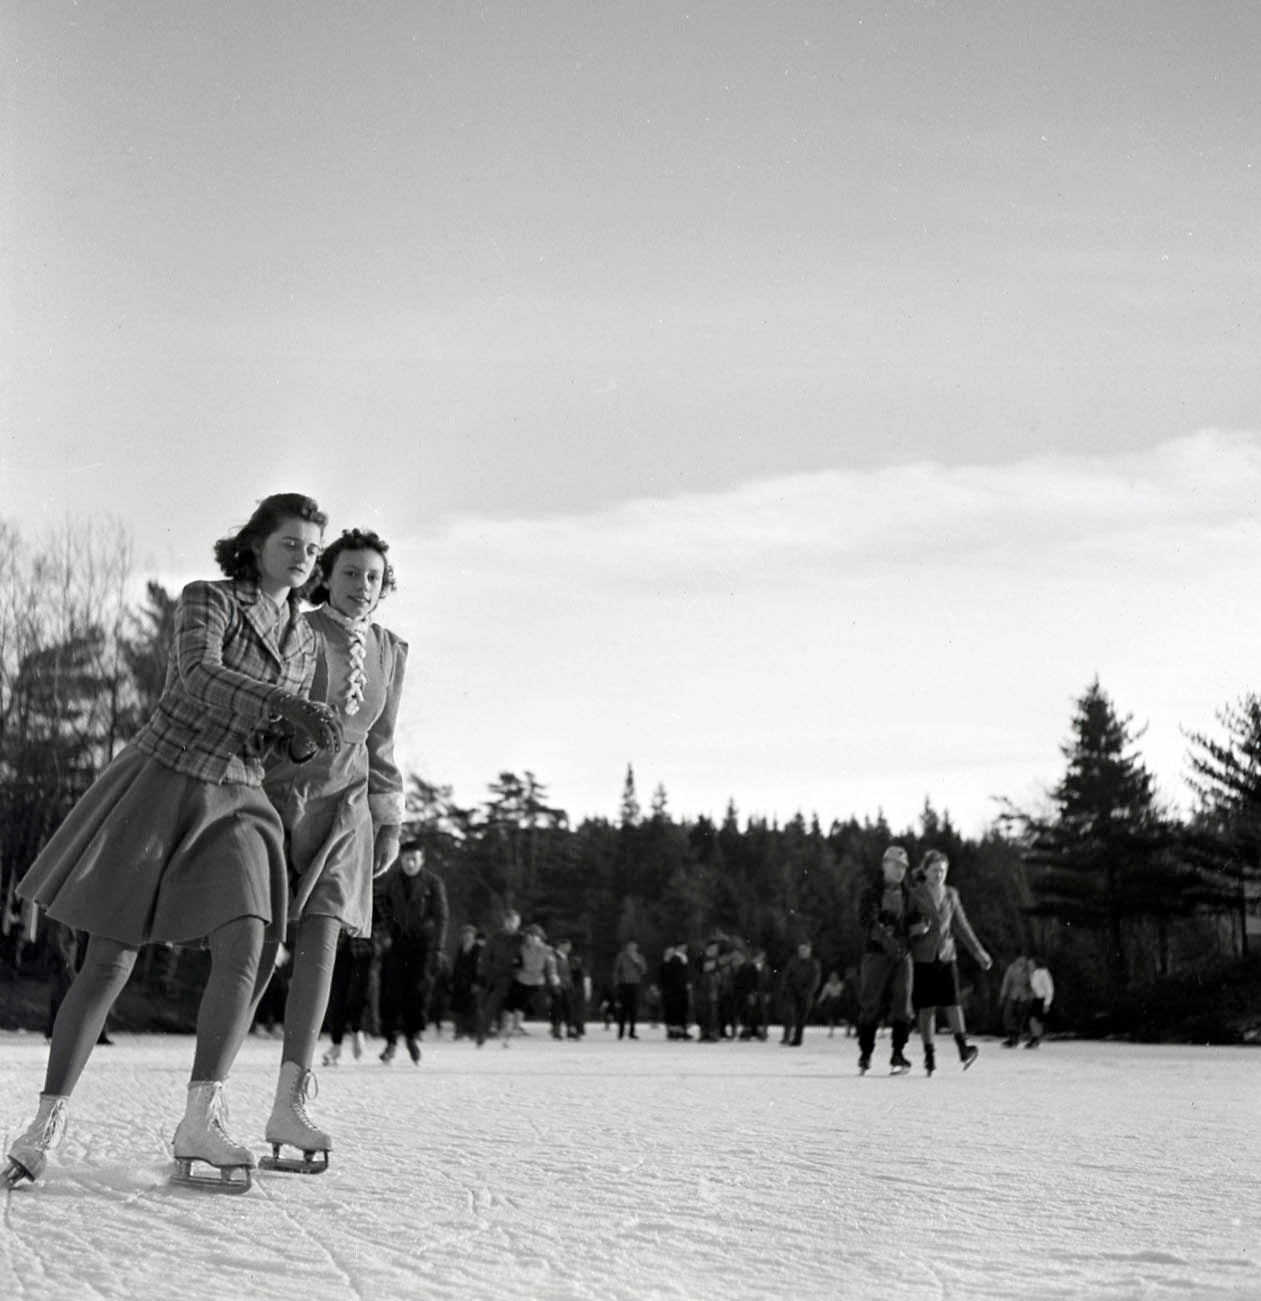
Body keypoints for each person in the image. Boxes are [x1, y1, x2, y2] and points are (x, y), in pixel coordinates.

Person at [3, 493, 340, 1193]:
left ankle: (200, 1118)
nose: (304, 556)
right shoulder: (208, 599)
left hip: (239, 796)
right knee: (110, 958)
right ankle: (44, 1124)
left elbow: (280, 743)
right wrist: (284, 703)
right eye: (291, 542)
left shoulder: (305, 640)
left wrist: (303, 739)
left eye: (313, 548)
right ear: (255, 544)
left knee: (249, 942)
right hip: (163, 779)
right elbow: (198, 675)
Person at [259, 526, 406, 1167]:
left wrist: (389, 822)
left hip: (349, 805)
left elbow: (383, 742)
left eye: (373, 576)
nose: (361, 586)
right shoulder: (298, 629)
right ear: (327, 575)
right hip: (282, 794)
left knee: (322, 945)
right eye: (350, 573)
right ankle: (204, 1099)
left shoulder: (391, 650)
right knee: (257, 949)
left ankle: (290, 1104)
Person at [907, 849, 992, 1075]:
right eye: (935, 870)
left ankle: (963, 1048)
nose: (939, 875)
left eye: (943, 871)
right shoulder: (915, 894)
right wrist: (916, 929)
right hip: (923, 957)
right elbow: (905, 925)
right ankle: (929, 1055)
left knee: (953, 1002)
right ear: (925, 871)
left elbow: (962, 927)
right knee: (927, 1008)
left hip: (946, 955)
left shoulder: (951, 894)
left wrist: (979, 952)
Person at [377, 839, 448, 1064]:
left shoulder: (433, 883)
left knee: (417, 992)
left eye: (414, 859)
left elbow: (442, 918)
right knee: (392, 992)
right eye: (406, 859)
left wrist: (438, 948)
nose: (410, 864)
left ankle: (412, 1036)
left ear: (422, 860)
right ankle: (390, 1041)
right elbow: (381, 907)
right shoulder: (390, 881)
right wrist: (385, 933)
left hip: (423, 945)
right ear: (400, 859)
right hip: (397, 942)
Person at [855, 846, 916, 1074]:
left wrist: (921, 927)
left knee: (903, 1003)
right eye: (895, 865)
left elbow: (915, 919)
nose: (900, 871)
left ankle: (898, 1053)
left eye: (903, 867)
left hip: (902, 955)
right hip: (877, 954)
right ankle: (866, 1054)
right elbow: (868, 921)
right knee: (870, 1004)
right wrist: (887, 941)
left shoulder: (909, 894)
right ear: (884, 865)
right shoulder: (871, 892)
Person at [476, 910, 524, 1045]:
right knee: (489, 1005)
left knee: (507, 1007)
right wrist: (485, 974)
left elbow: (527, 954)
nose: (511, 924)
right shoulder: (495, 938)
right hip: (496, 976)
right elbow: (485, 957)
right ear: (504, 922)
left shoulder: (521, 939)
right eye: (508, 921)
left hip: (514, 977)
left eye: (513, 922)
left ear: (518, 923)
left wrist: (518, 966)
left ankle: (503, 1033)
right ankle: (482, 1034)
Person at [779, 941, 822, 1047]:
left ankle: (797, 1039)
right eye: (801, 950)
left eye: (804, 950)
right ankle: (786, 1036)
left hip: (806, 993)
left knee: (801, 1017)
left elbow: (815, 980)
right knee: (789, 1013)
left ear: (809, 951)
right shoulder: (793, 961)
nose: (802, 952)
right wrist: (785, 987)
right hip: (792, 992)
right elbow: (786, 975)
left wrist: (809, 991)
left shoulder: (813, 963)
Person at [448, 925, 483, 1040]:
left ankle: (473, 1032)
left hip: (472, 982)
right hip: (459, 983)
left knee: (472, 1008)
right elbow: (456, 966)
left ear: (474, 936)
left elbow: (480, 968)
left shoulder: (478, 949)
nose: (467, 937)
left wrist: (477, 982)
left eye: (469, 934)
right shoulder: (460, 948)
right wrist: (452, 981)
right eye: (465, 934)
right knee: (458, 1007)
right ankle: (459, 1031)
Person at [613, 938, 648, 1040]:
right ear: (627, 946)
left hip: (635, 985)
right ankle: (621, 1032)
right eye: (630, 945)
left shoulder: (640, 957)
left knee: (634, 1010)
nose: (632, 948)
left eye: (634, 946)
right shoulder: (621, 957)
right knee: (622, 1010)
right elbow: (616, 971)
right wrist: (616, 984)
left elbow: (644, 970)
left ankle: (632, 1032)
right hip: (624, 985)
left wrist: (637, 961)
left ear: (636, 947)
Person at [999, 951, 1034, 1048]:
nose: (1022, 961)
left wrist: (1031, 996)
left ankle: (1016, 1037)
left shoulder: (1029, 969)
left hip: (1024, 996)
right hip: (1012, 995)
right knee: (1008, 1016)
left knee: (1020, 1017)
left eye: (1024, 959)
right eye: (1020, 958)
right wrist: (1003, 995)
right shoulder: (1011, 968)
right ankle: (1011, 1036)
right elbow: (1006, 982)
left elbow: (1033, 983)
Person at [659, 944, 692, 1040]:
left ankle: (679, 1031)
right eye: (668, 952)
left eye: (672, 953)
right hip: (669, 991)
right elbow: (663, 976)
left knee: (679, 1010)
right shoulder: (665, 963)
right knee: (671, 1011)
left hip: (679, 990)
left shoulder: (679, 961)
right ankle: (672, 1031)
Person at [1026, 957, 1055, 1047]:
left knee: (1038, 1020)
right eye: (1028, 964)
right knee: (1032, 1019)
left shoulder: (1043, 973)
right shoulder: (1031, 974)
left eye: (1031, 964)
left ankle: (1036, 1038)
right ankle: (1035, 1037)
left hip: (1043, 999)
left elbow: (1049, 988)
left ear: (1036, 964)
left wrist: (1047, 1003)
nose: (1029, 966)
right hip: (1035, 999)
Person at [816, 970, 847, 1038]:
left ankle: (847, 1030)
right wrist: (819, 1001)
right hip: (831, 1002)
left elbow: (845, 993)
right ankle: (831, 1031)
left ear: (837, 977)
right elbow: (824, 994)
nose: (833, 978)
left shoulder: (841, 984)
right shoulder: (827, 985)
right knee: (830, 1017)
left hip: (840, 1002)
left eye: (834, 976)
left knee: (842, 1017)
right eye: (832, 977)